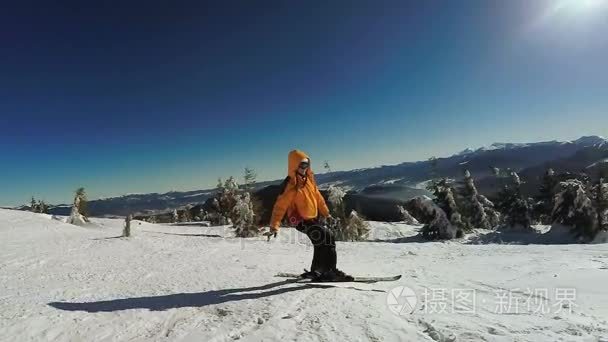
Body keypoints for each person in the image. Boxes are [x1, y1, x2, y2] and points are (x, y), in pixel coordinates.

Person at [264, 149, 353, 281]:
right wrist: (274, 226)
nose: (305, 168)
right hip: (299, 220)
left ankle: (317, 271)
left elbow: (318, 198)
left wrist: (326, 214)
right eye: (302, 165)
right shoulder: (291, 184)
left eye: (307, 164)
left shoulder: (309, 180)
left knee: (321, 242)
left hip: (311, 218)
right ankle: (330, 272)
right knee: (328, 237)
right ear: (294, 165)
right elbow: (280, 206)